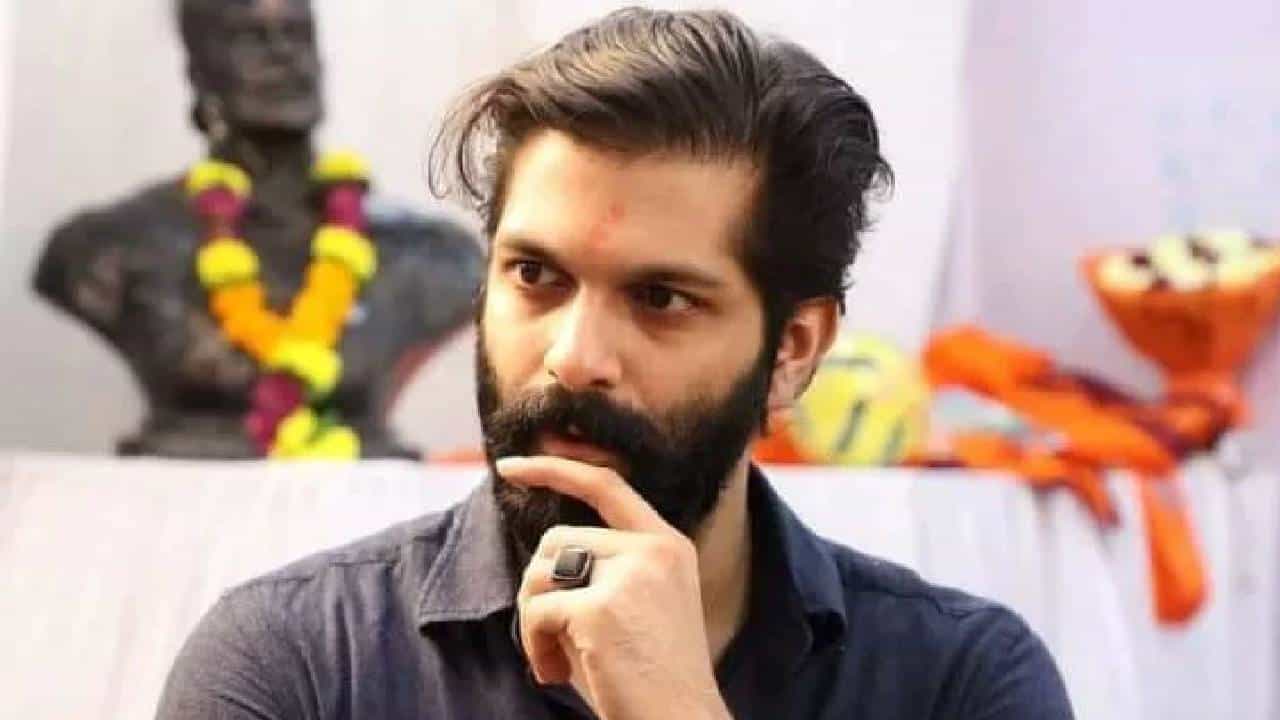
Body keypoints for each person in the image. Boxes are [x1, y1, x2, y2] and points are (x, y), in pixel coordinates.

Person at [158, 7, 1074, 718]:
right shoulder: (298, 665)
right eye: (535, 276)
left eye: (661, 299)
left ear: (792, 351)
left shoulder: (959, 682)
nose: (574, 359)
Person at [32, 0, 482, 459]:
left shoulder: (432, 255)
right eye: (250, 38)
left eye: (297, 34)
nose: (283, 54)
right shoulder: (109, 249)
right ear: (199, 69)